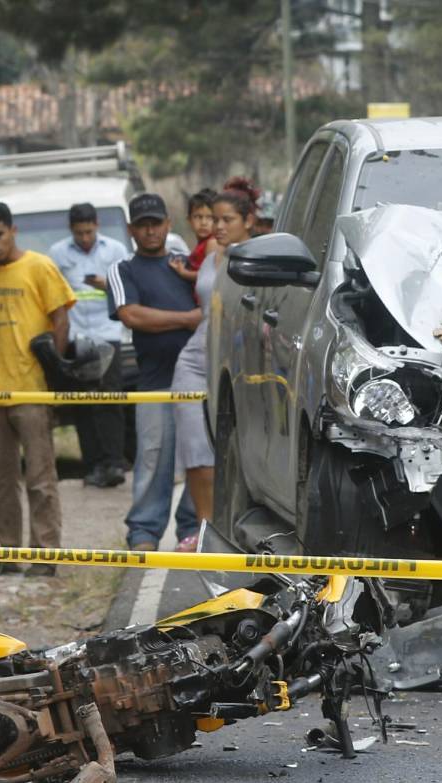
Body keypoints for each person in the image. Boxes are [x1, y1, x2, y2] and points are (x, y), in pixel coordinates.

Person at [0, 201, 74, 576]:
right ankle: (7, 552)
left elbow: (61, 318)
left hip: (32, 389)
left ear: (13, 230)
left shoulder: (40, 266)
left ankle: (46, 553)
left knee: (40, 478)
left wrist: (53, 367)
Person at [107, 193, 201, 551]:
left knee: (199, 460)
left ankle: (192, 530)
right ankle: (144, 532)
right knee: (152, 460)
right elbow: (132, 315)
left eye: (156, 223)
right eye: (143, 225)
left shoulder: (186, 265)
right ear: (131, 229)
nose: (150, 231)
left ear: (168, 224)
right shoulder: (123, 270)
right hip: (155, 383)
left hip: (199, 381)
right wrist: (187, 319)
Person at [170, 178, 258, 552]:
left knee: (242, 450)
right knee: (196, 450)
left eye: (227, 220)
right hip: (196, 360)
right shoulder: (209, 258)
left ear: (248, 221)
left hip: (241, 364)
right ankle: (205, 532)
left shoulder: (259, 259)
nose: (218, 227)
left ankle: (239, 531)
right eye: (214, 219)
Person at [47, 203, 130, 488]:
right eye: (79, 233)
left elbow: (127, 287)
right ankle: (93, 465)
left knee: (111, 401)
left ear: (97, 225)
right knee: (83, 403)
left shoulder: (115, 250)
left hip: (108, 334)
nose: (84, 238)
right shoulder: (57, 253)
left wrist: (104, 284)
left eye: (89, 232)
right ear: (71, 229)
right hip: (76, 336)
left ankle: (114, 462)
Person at [168, 189, 216, 284]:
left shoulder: (212, 243)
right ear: (189, 220)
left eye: (209, 217)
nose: (203, 223)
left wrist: (184, 273)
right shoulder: (201, 244)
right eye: (198, 217)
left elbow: (210, 276)